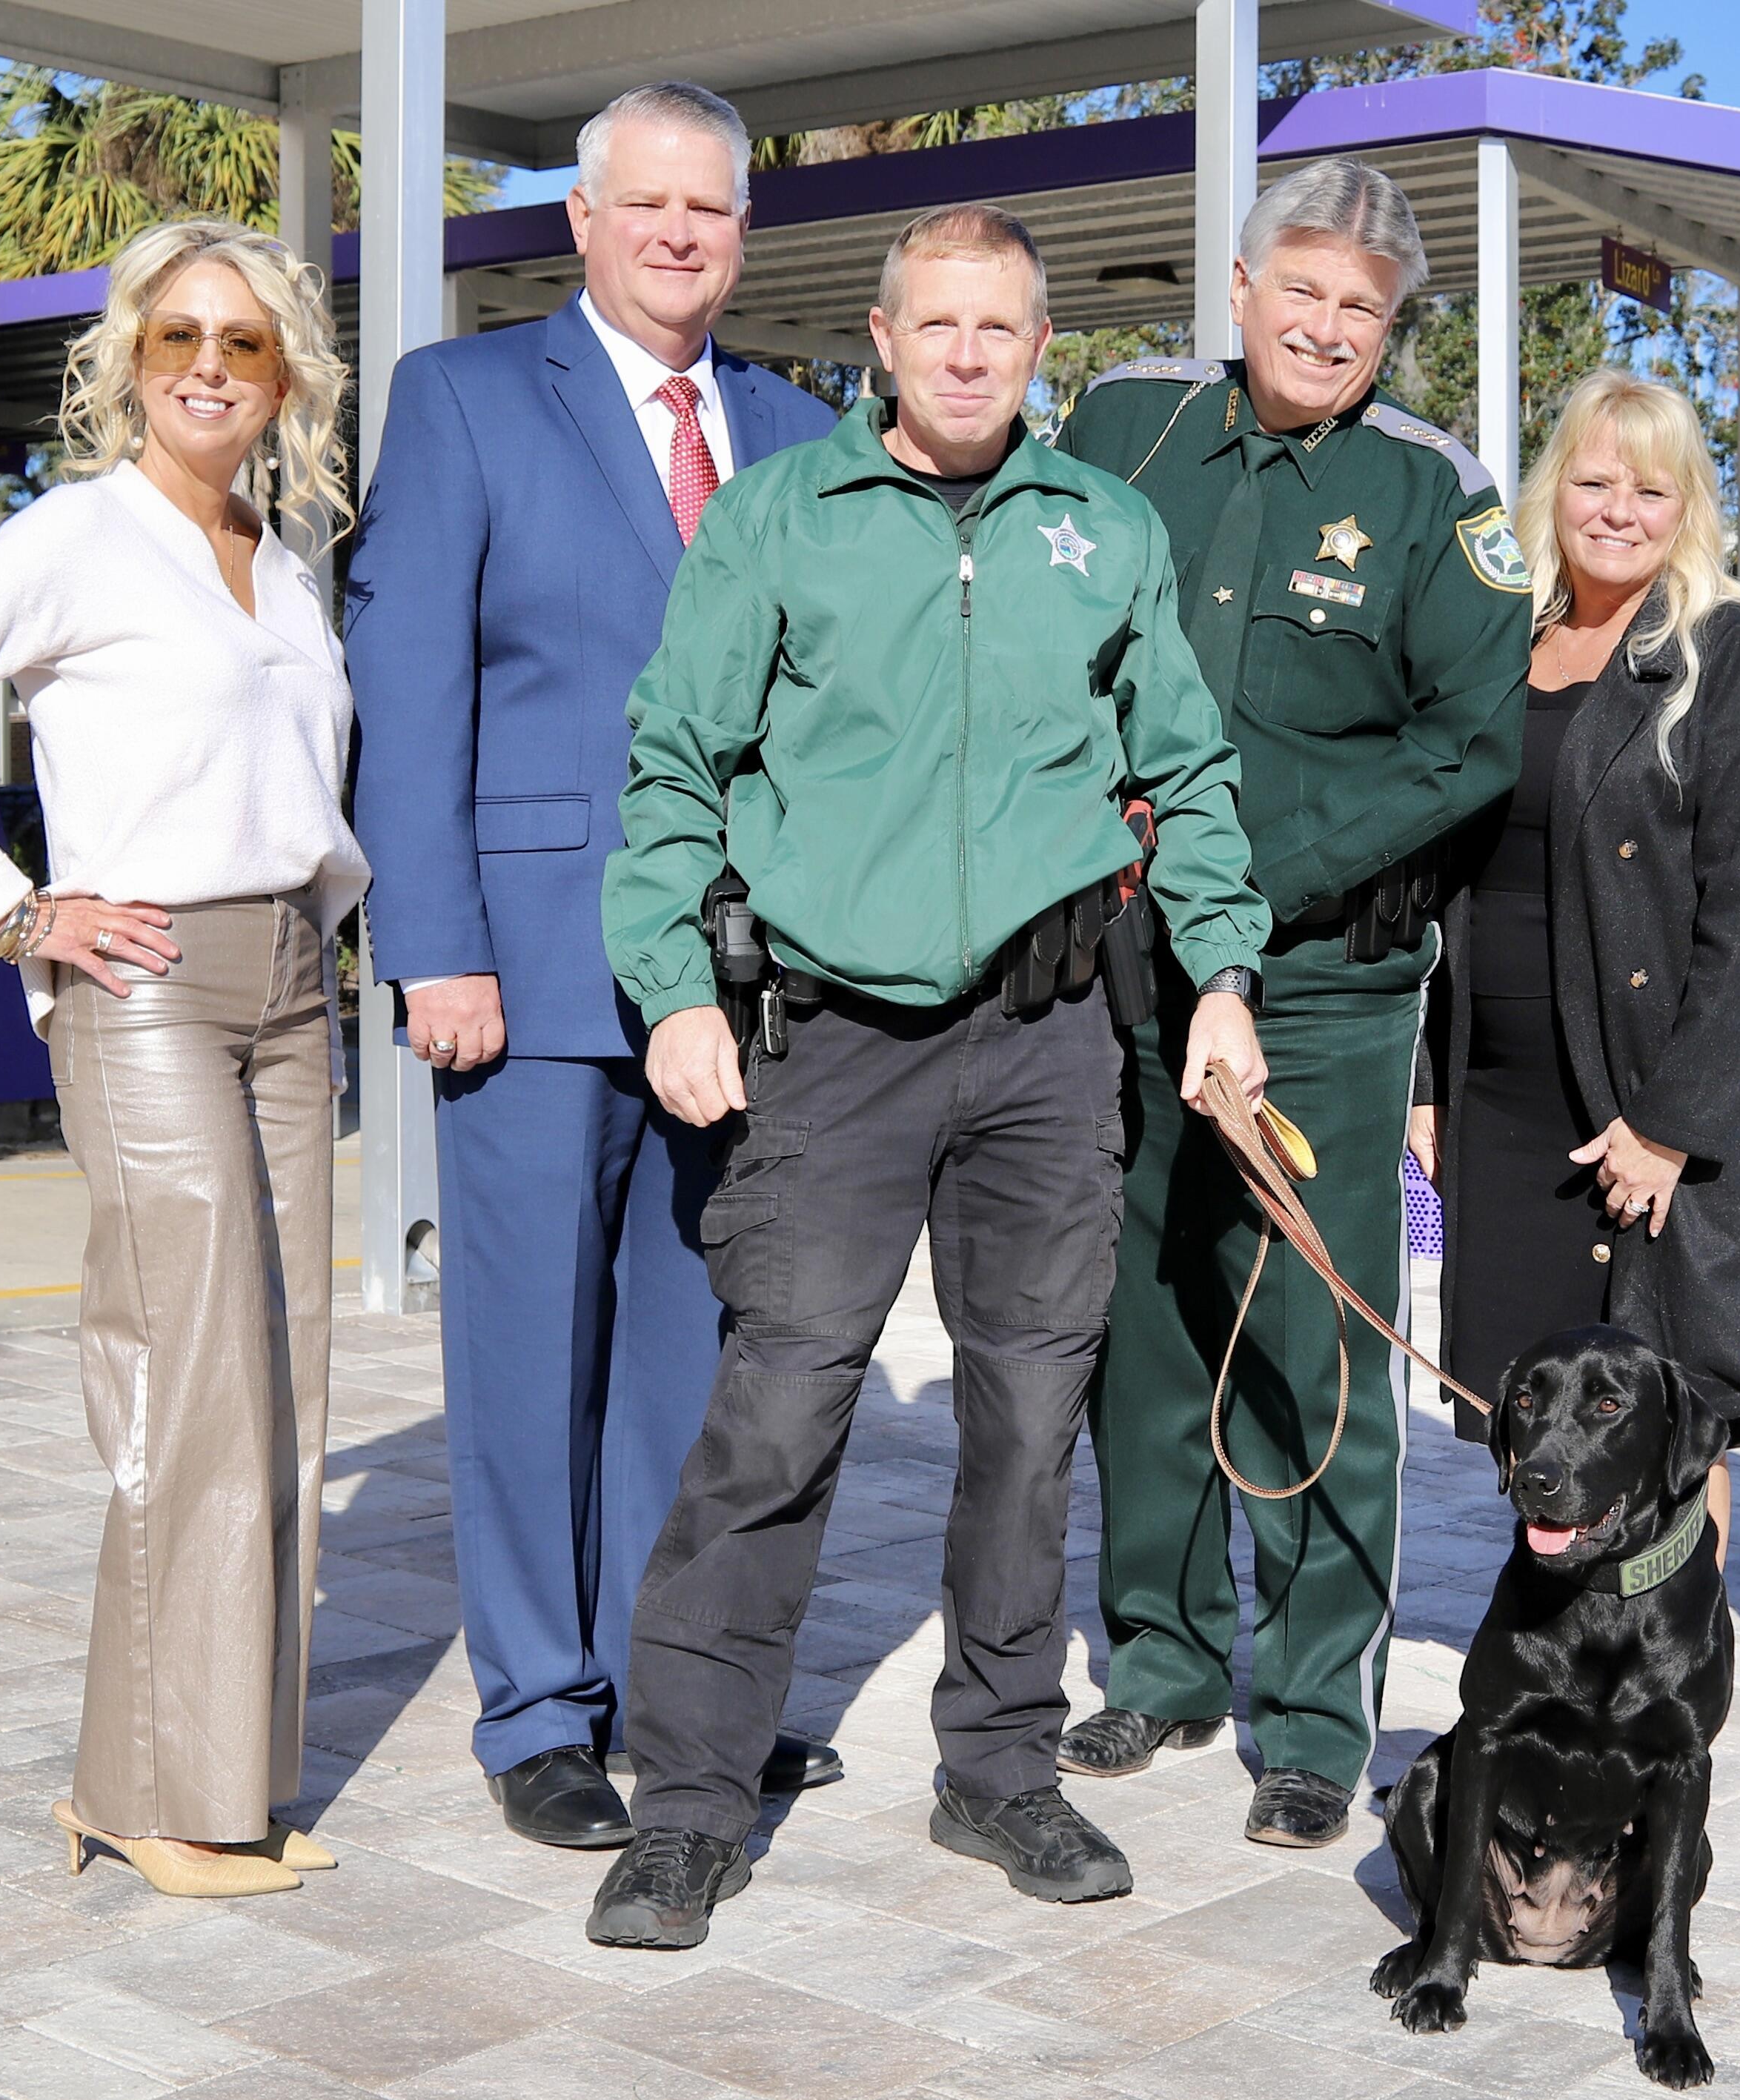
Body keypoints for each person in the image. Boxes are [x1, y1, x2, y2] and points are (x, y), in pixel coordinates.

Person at [582, 204, 1274, 1948]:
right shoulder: (778, 518)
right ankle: (684, 1803)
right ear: (879, 341)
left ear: (1042, 351)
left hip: (1046, 1045)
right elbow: (675, 758)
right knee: (781, 1410)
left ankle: (999, 1768)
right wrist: (671, 986)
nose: (970, 354)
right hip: (829, 1044)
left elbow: (1186, 774)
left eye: (1003, 328)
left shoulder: (1101, 530)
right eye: (939, 324)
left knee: (1030, 1417)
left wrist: (1222, 981)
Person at [0, 222, 365, 1898]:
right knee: (187, 1371)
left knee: (283, 1377)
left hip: (287, 982)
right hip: (148, 990)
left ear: (285, 379)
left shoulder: (280, 557)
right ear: (130, 356)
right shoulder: (73, 536)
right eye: (179, 332)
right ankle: (143, 1790)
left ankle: (228, 1772)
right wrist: (7, 908)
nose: (209, 362)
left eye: (245, 341)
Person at [343, 81, 842, 1853]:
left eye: (710, 210)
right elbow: (410, 696)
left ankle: (672, 1688)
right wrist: (434, 947)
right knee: (529, 1355)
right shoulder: (464, 399)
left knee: (692, 1361)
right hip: (532, 976)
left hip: (737, 986)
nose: (681, 236)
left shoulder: (793, 424)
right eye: (649, 207)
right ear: (581, 217)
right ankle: (541, 1707)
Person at [1053, 159, 1527, 1850]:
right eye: (1302, 291)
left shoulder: (1433, 496)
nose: (1326, 329)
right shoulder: (1127, 427)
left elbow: (1471, 744)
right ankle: (1166, 1661)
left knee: (1309, 1331)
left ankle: (1317, 1709)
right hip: (1123, 962)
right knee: (1152, 1312)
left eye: (1364, 310)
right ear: (1238, 285)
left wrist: (1244, 882)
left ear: (1392, 332)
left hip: (1322, 980)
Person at [1412, 369, 1740, 1537]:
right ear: (1554, 491)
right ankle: (1562, 1689)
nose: (1617, 510)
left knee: (1667, 1411)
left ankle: (1659, 1706)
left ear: (1688, 503)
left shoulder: (1725, 650)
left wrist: (1668, 1124)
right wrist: (1428, 1083)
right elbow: (1443, 877)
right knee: (1542, 1411)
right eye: (1594, 481)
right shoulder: (1503, 637)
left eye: (1651, 489)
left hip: (1641, 1097)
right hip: (1502, 1096)